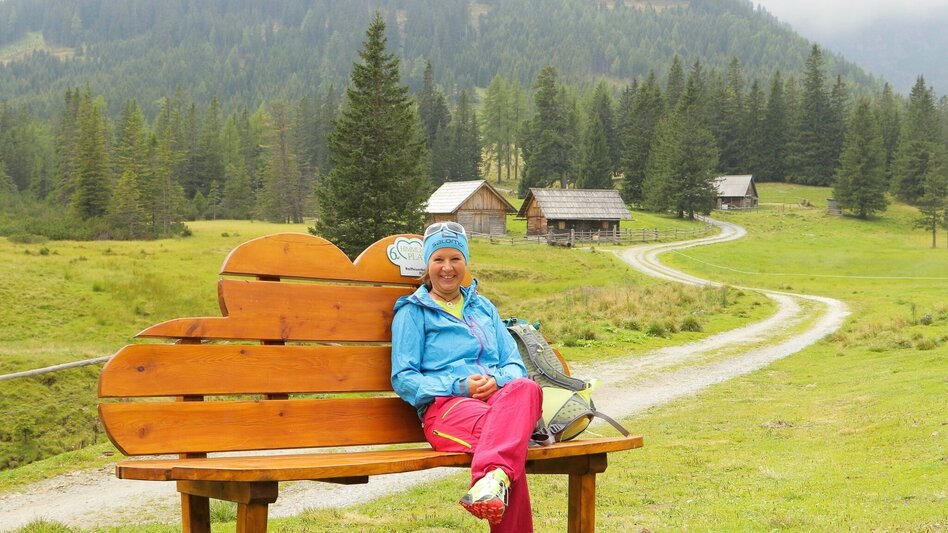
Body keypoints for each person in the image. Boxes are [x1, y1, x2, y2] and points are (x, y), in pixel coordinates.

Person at [391, 221, 543, 532]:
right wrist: (458, 385)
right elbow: (404, 378)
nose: (447, 268)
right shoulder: (413, 312)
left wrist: (497, 381)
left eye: (455, 259)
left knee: (526, 388)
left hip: (498, 404)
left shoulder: (483, 307)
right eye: (438, 260)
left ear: (465, 262)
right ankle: (497, 475)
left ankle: (493, 479)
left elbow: (515, 366)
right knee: (506, 447)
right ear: (428, 264)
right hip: (448, 409)